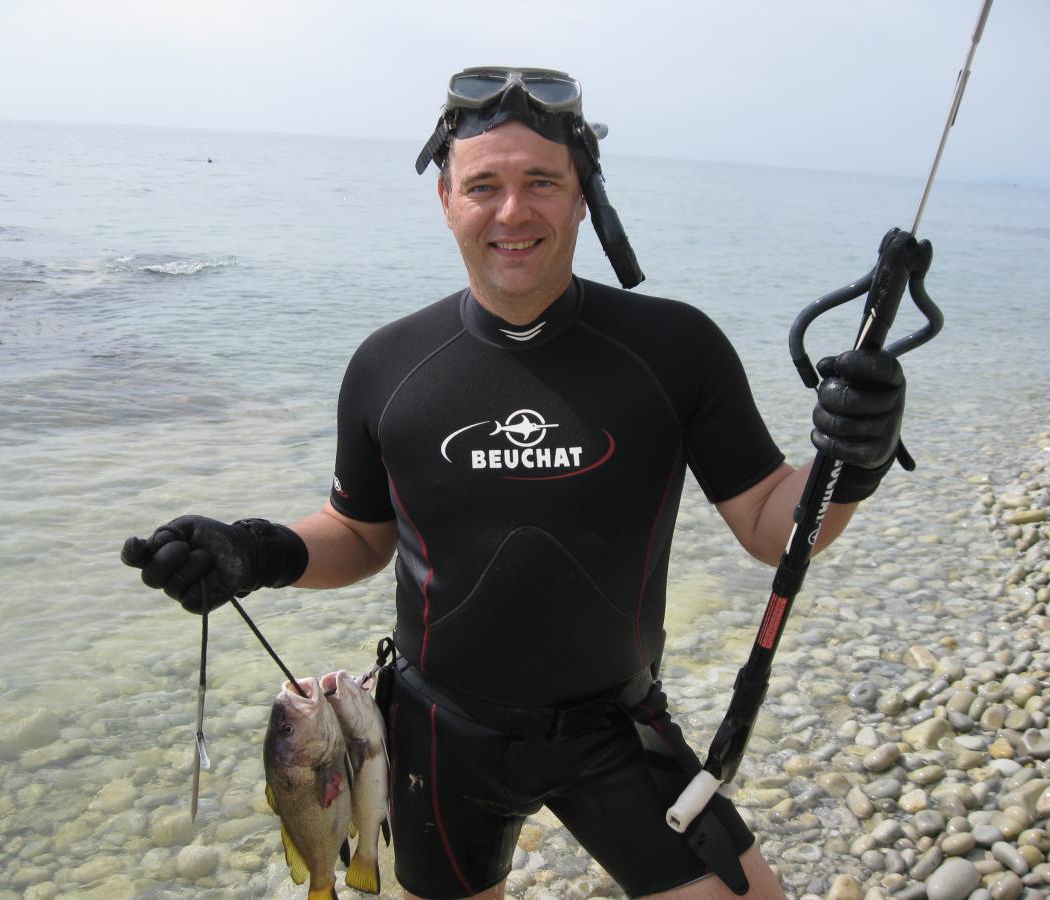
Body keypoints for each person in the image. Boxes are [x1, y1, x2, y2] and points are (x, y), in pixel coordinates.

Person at [122, 68, 907, 899]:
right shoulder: (389, 364)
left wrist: (852, 462)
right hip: (438, 739)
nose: (512, 212)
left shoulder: (676, 349)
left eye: (542, 182)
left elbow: (772, 525)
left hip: (615, 728)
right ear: (446, 200)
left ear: (583, 196)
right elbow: (357, 534)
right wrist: (252, 552)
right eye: (483, 186)